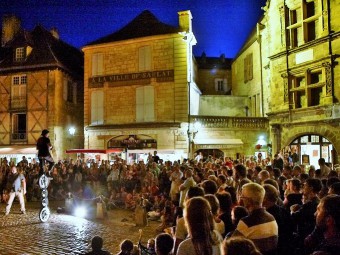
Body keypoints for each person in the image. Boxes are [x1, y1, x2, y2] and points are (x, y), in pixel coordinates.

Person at [231, 183, 278, 255]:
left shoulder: (246, 223)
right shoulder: (271, 218)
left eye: (242, 196)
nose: (241, 199)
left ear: (249, 200)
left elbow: (231, 246)